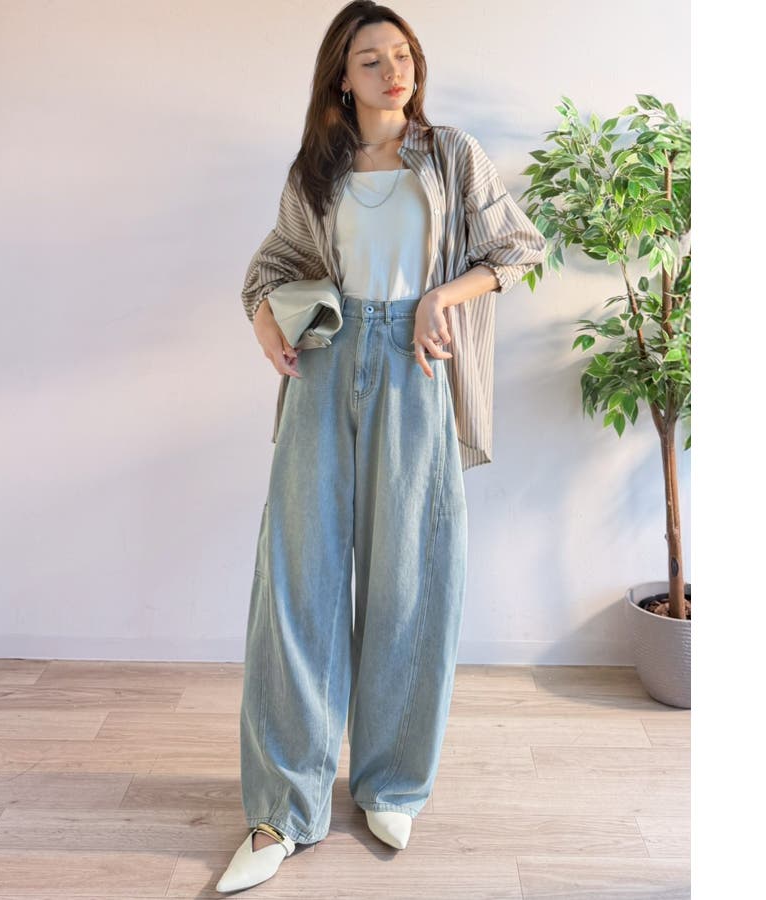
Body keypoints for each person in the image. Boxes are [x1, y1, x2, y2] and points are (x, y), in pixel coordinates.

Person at [217, 2, 547, 892]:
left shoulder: (451, 155)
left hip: (416, 367)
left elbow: (516, 246)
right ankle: (282, 809)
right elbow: (269, 270)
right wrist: (266, 326)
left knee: (413, 579)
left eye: (402, 55)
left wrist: (442, 298)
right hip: (325, 367)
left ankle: (391, 783)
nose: (393, 71)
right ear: (342, 77)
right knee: (299, 584)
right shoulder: (315, 172)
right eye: (371, 60)